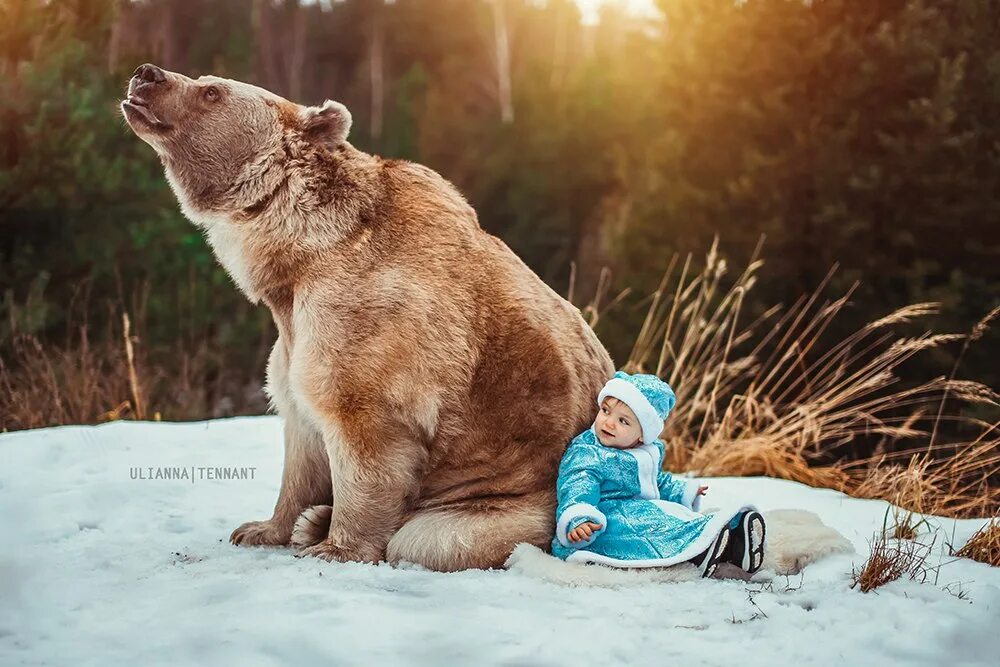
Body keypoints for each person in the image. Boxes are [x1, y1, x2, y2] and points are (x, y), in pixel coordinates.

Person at [551, 371, 766, 577]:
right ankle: (703, 552)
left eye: (623, 421)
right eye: (605, 411)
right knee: (652, 531)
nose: (608, 422)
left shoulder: (643, 452)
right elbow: (577, 483)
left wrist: (683, 491)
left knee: (673, 518)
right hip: (601, 521)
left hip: (637, 509)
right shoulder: (588, 451)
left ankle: (736, 541)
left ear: (642, 436)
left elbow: (656, 482)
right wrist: (579, 518)